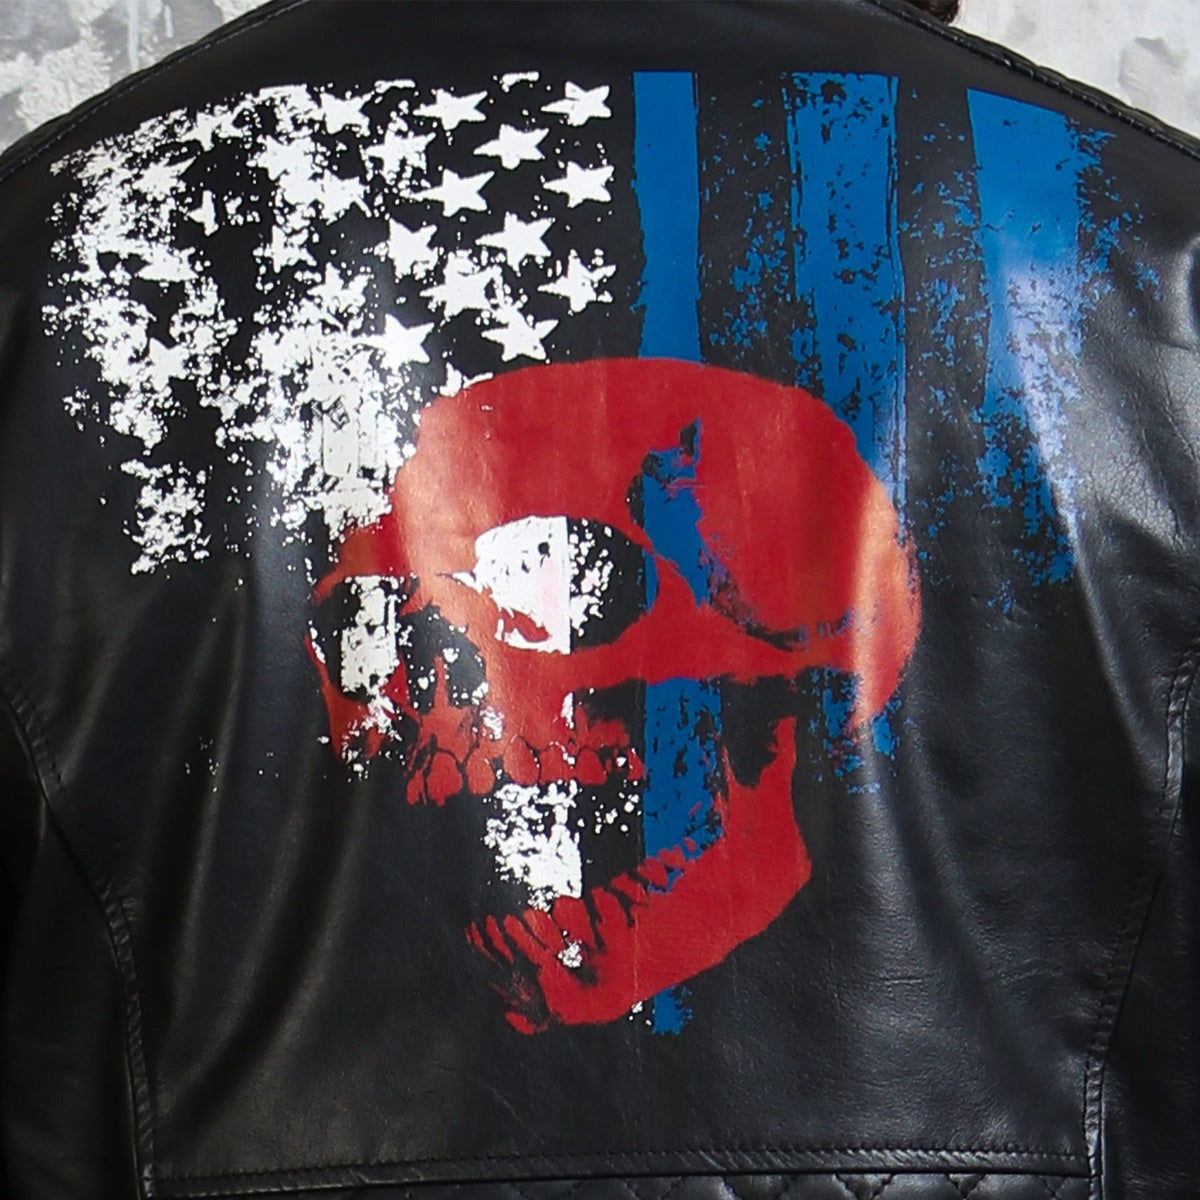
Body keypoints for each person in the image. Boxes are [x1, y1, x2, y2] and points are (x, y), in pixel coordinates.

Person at [1, 1, 1195, 1196]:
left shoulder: (50, 261)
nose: (452, 689)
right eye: (378, 628)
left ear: (811, 687)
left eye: (571, 590)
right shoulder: (1149, 258)